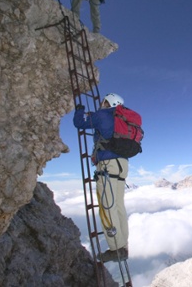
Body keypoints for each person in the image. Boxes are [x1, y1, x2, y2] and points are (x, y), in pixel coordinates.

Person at [73, 93, 129, 262]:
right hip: (122, 165)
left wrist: (80, 110)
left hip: (107, 165)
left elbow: (79, 123)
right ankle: (123, 243)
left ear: (109, 102)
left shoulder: (102, 114)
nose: (101, 103)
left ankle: (116, 248)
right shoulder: (122, 118)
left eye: (104, 101)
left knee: (107, 206)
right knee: (118, 205)